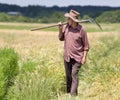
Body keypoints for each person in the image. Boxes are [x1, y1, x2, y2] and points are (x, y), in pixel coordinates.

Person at [58, 9, 90, 96]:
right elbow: (61, 38)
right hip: (67, 56)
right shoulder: (66, 27)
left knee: (74, 75)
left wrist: (84, 57)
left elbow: (86, 46)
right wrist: (60, 29)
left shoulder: (81, 30)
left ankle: (72, 96)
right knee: (68, 77)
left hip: (77, 57)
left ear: (72, 20)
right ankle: (70, 93)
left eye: (68, 18)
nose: (67, 20)